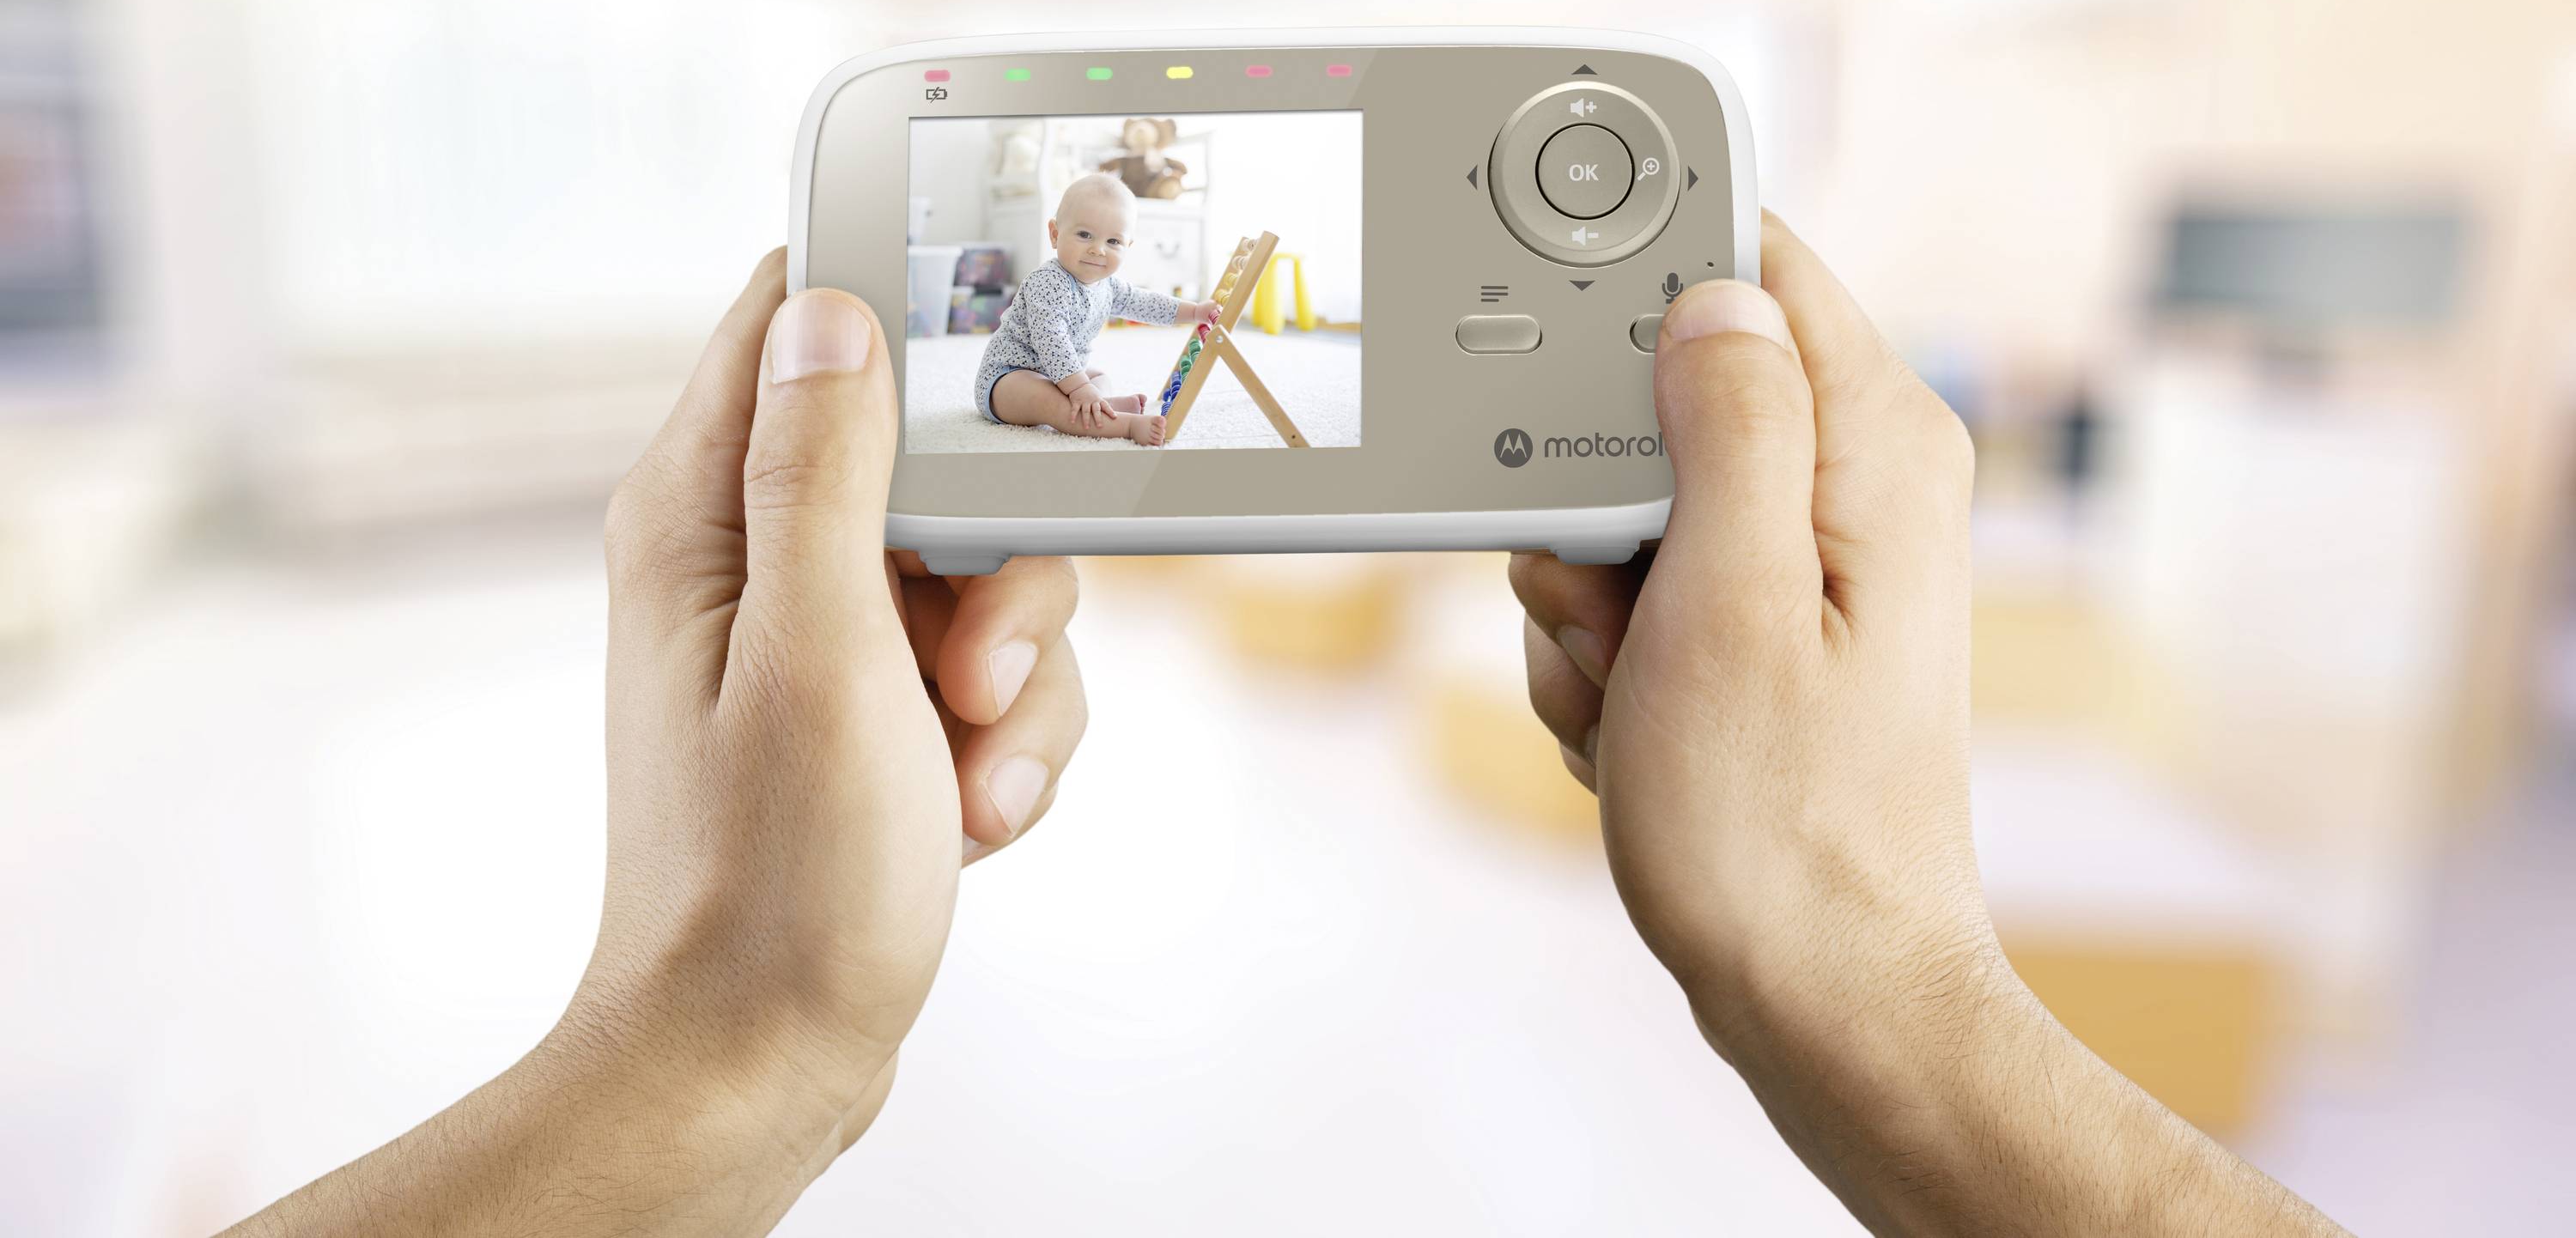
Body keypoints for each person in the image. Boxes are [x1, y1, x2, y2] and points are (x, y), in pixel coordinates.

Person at [222, 219, 2351, 1236]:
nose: (1075, 244)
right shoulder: (1039, 299)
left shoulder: (1107, 287)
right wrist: (727, 1037)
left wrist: (724, 1034)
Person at [974, 172, 1218, 445]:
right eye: (1085, 235)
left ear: (1128, 246)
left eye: (1113, 242)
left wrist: (1194, 312)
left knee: (1098, 376)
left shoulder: (1108, 286)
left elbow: (1146, 303)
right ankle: (1125, 426)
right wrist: (1078, 388)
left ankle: (1101, 405)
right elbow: (1051, 341)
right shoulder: (1047, 282)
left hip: (1060, 377)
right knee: (1056, 406)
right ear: (1055, 234)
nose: (1098, 250)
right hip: (1008, 379)